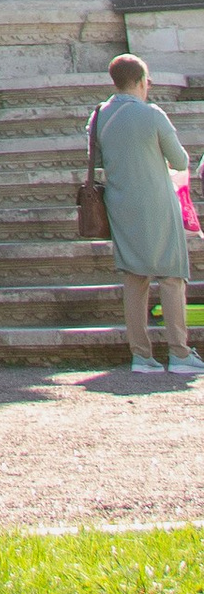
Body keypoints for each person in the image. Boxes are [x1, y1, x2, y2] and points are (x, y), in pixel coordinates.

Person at [90, 52, 198, 377]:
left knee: (134, 278)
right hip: (158, 203)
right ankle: (179, 353)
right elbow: (179, 161)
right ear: (139, 81)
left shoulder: (98, 117)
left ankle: (141, 356)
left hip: (120, 205)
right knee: (171, 277)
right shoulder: (152, 115)